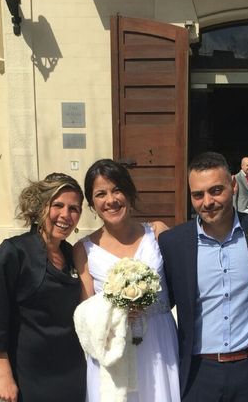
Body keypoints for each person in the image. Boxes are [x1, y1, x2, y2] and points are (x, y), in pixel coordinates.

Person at [159, 152, 248, 401]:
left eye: (216, 190)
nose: (207, 202)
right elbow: (162, 304)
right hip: (199, 373)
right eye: (198, 194)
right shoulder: (174, 243)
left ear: (234, 186)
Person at [73, 159, 180, 402]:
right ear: (92, 204)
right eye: (101, 194)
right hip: (115, 348)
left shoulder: (158, 232)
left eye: (117, 189)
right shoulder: (84, 249)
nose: (110, 200)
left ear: (130, 194)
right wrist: (117, 309)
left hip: (159, 341)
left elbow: (180, 286)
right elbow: (85, 313)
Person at [0, 173, 86, 402]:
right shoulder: (14, 252)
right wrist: (5, 376)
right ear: (41, 206)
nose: (65, 215)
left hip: (73, 370)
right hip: (31, 373)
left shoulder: (73, 254)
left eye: (74, 209)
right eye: (57, 205)